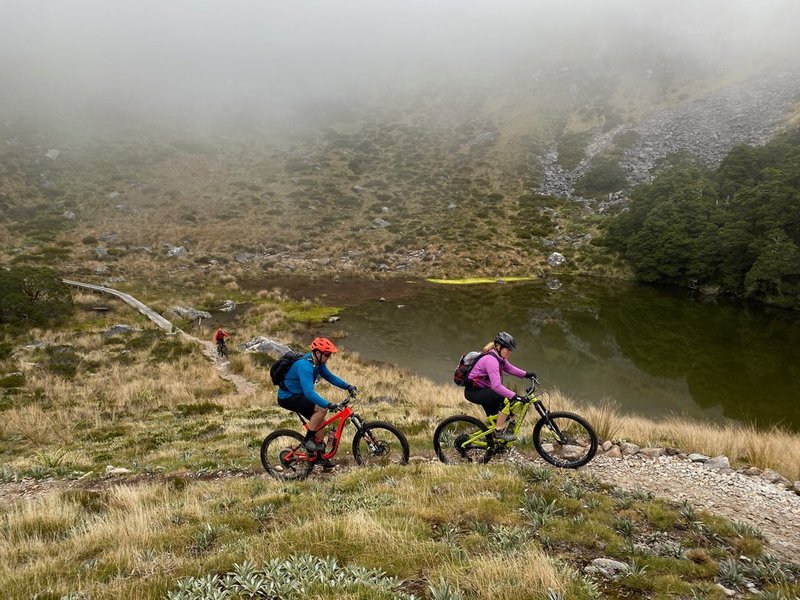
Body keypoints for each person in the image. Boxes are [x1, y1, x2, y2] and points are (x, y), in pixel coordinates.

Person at [277, 337, 357, 463]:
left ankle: (319, 457)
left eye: (329, 354)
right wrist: (328, 404)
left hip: (299, 394)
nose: (328, 357)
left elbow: (330, 377)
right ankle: (308, 440)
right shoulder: (305, 366)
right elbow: (309, 392)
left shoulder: (317, 363)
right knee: (321, 410)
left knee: (320, 423)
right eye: (326, 354)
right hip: (288, 397)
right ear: (317, 353)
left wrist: (347, 386)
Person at [465, 331, 537, 442]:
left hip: (483, 390)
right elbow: (497, 386)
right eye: (508, 349)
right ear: (498, 346)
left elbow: (510, 369)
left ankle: (493, 443)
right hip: (475, 392)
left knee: (502, 415)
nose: (510, 352)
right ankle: (498, 432)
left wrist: (527, 374)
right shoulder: (491, 360)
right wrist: (515, 396)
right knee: (506, 400)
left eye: (511, 350)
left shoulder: (499, 358)